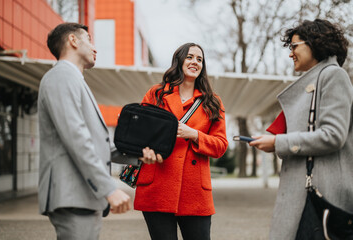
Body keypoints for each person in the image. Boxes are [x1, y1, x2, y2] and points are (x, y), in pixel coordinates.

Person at [249, 19, 353, 239]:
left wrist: (278, 143)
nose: (290, 54)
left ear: (314, 44)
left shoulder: (334, 76)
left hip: (323, 197)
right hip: (311, 194)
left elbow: (333, 136)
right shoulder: (316, 81)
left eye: (294, 46)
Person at [38, 23, 131, 240]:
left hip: (81, 196)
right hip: (73, 195)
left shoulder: (73, 79)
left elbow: (96, 143)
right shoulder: (61, 76)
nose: (94, 48)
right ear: (73, 40)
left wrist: (139, 156)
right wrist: (108, 188)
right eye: (89, 39)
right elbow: (76, 137)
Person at [134, 43, 228, 240]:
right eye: (190, 57)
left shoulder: (212, 102)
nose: (195, 62)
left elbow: (220, 145)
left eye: (199, 59)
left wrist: (194, 134)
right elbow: (140, 132)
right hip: (158, 183)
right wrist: (145, 151)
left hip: (194, 191)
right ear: (179, 61)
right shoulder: (157, 94)